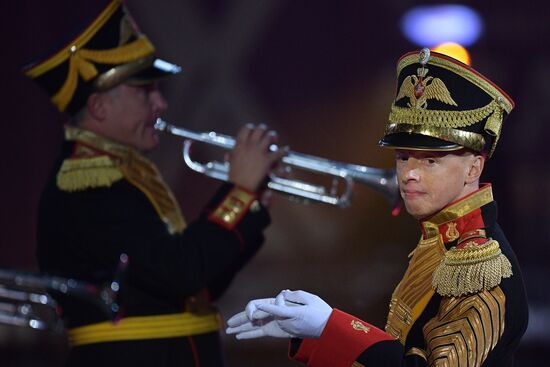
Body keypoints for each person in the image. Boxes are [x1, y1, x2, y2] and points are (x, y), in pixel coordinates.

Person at [226, 48, 529, 366]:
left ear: (473, 169)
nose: (409, 174)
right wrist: (319, 335)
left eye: (430, 160)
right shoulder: (442, 240)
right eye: (402, 157)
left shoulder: (479, 268)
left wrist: (331, 328)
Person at [25, 1, 285, 366]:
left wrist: (250, 207)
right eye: (146, 92)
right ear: (99, 107)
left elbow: (194, 288)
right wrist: (238, 192)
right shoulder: (85, 183)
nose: (161, 103)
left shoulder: (122, 173)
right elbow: (181, 272)